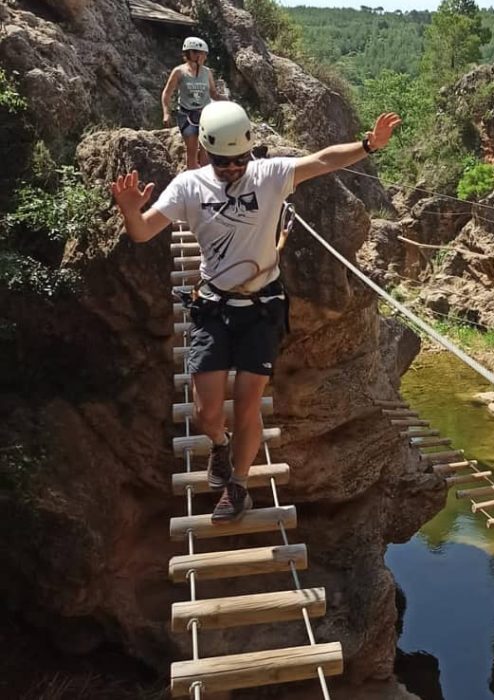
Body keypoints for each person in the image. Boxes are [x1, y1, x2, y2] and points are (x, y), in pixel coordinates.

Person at [111, 101, 402, 522]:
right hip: (212, 307)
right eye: (222, 163)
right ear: (207, 152)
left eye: (239, 161)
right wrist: (128, 211)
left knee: (248, 404)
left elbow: (321, 161)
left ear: (250, 151)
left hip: (260, 308)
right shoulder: (188, 186)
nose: (232, 169)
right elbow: (141, 233)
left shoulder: (269, 175)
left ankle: (238, 486)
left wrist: (368, 144)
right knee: (207, 412)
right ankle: (219, 445)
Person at [161, 37, 223, 170]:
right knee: (192, 150)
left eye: (205, 54)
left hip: (205, 115)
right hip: (187, 115)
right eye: (201, 53)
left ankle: (205, 182)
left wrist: (226, 101)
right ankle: (193, 180)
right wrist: (166, 112)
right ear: (191, 54)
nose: (204, 57)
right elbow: (167, 93)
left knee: (206, 149)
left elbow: (213, 93)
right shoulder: (179, 72)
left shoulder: (207, 72)